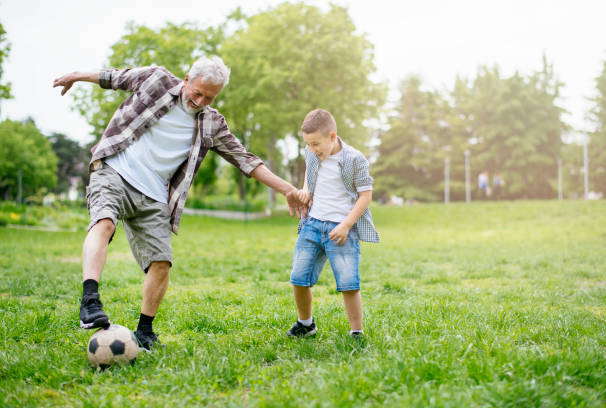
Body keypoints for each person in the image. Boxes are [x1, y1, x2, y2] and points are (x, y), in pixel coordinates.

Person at [53, 55, 306, 350]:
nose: (199, 101)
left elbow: (246, 161)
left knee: (161, 262)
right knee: (104, 222)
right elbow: (113, 77)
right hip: (115, 171)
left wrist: (288, 188)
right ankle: (90, 300)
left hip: (154, 194)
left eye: (208, 98)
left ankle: (145, 331)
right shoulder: (156, 80)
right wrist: (76, 75)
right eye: (197, 92)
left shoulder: (212, 123)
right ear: (186, 79)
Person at [286, 109, 380, 339]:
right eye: (308, 144)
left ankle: (356, 331)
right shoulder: (312, 154)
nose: (312, 149)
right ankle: (306, 324)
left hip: (341, 229)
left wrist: (347, 225)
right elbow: (310, 170)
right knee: (299, 277)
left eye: (316, 144)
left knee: (348, 283)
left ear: (332, 136)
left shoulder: (354, 159)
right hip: (313, 225)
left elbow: (365, 196)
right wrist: (307, 189)